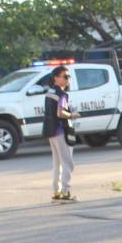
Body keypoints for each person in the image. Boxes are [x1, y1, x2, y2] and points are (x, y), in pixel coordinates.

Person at [44, 66, 80, 202]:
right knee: (67, 163)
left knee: (57, 163)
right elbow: (60, 113)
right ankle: (65, 192)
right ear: (56, 78)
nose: (68, 79)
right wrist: (72, 115)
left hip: (51, 131)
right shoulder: (61, 94)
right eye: (65, 76)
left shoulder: (49, 92)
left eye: (69, 76)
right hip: (60, 130)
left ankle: (56, 192)